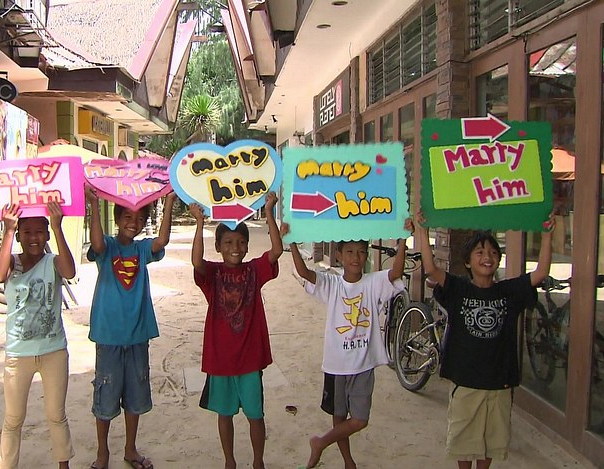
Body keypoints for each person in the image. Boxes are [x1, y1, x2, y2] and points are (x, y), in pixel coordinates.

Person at [413, 212, 554, 469]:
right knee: (464, 442)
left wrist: (546, 235)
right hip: (466, 381)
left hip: (499, 382)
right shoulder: (459, 289)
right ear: (467, 262)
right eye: (479, 252)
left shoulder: (508, 292)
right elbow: (431, 268)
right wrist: (422, 230)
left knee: (491, 441)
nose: (487, 257)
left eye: (492, 253)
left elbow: (541, 272)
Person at [286, 222, 411, 469]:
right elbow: (304, 272)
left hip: (364, 364)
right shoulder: (332, 284)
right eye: (350, 252)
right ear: (339, 256)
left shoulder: (374, 282)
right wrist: (291, 240)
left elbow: (396, 271)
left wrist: (403, 240)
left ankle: (320, 442)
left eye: (361, 252)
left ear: (366, 256)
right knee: (339, 415)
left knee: (360, 419)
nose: (356, 257)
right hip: (336, 365)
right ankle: (348, 462)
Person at [189, 192, 283, 469]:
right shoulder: (213, 274)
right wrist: (199, 223)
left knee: (256, 415)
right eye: (228, 242)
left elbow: (277, 251)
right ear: (218, 246)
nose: (236, 247)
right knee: (225, 413)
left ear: (247, 246)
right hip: (221, 360)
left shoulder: (255, 270)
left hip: (250, 359)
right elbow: (196, 262)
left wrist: (269, 211)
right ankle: (229, 461)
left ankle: (258, 462)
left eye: (241, 242)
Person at [86, 188, 176, 469]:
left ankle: (130, 449)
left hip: (137, 335)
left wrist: (169, 201)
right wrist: (94, 204)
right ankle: (103, 453)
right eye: (127, 217)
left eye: (139, 219)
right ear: (116, 219)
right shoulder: (107, 247)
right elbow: (96, 243)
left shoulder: (141, 249)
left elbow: (161, 241)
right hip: (109, 336)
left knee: (135, 397)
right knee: (106, 395)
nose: (133, 223)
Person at [0, 201, 77, 469]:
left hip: (53, 352)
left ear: (47, 235)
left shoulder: (53, 262)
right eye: (26, 232)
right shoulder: (12, 262)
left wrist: (58, 226)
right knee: (13, 418)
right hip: (18, 354)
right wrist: (8, 230)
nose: (33, 238)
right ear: (19, 235)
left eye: (40, 232)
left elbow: (70, 271)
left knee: (56, 415)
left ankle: (63, 464)